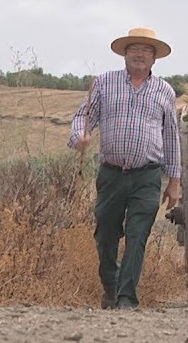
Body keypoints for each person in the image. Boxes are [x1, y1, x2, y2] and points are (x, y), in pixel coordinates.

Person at [69, 27, 182, 310]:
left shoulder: (165, 91)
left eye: (146, 50)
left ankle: (126, 297)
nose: (139, 55)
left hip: (147, 175)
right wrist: (80, 137)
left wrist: (174, 181)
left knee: (138, 234)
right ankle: (111, 284)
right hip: (111, 174)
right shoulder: (104, 83)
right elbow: (83, 117)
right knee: (105, 233)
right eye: (134, 49)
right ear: (125, 54)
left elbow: (171, 136)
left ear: (154, 58)